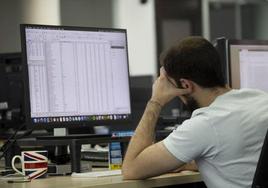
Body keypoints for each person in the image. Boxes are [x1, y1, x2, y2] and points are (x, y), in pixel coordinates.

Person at [122, 36, 268, 188]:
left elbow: (131, 169)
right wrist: (194, 161)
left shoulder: (205, 123)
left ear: (185, 85)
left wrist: (156, 102)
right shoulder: (260, 99)